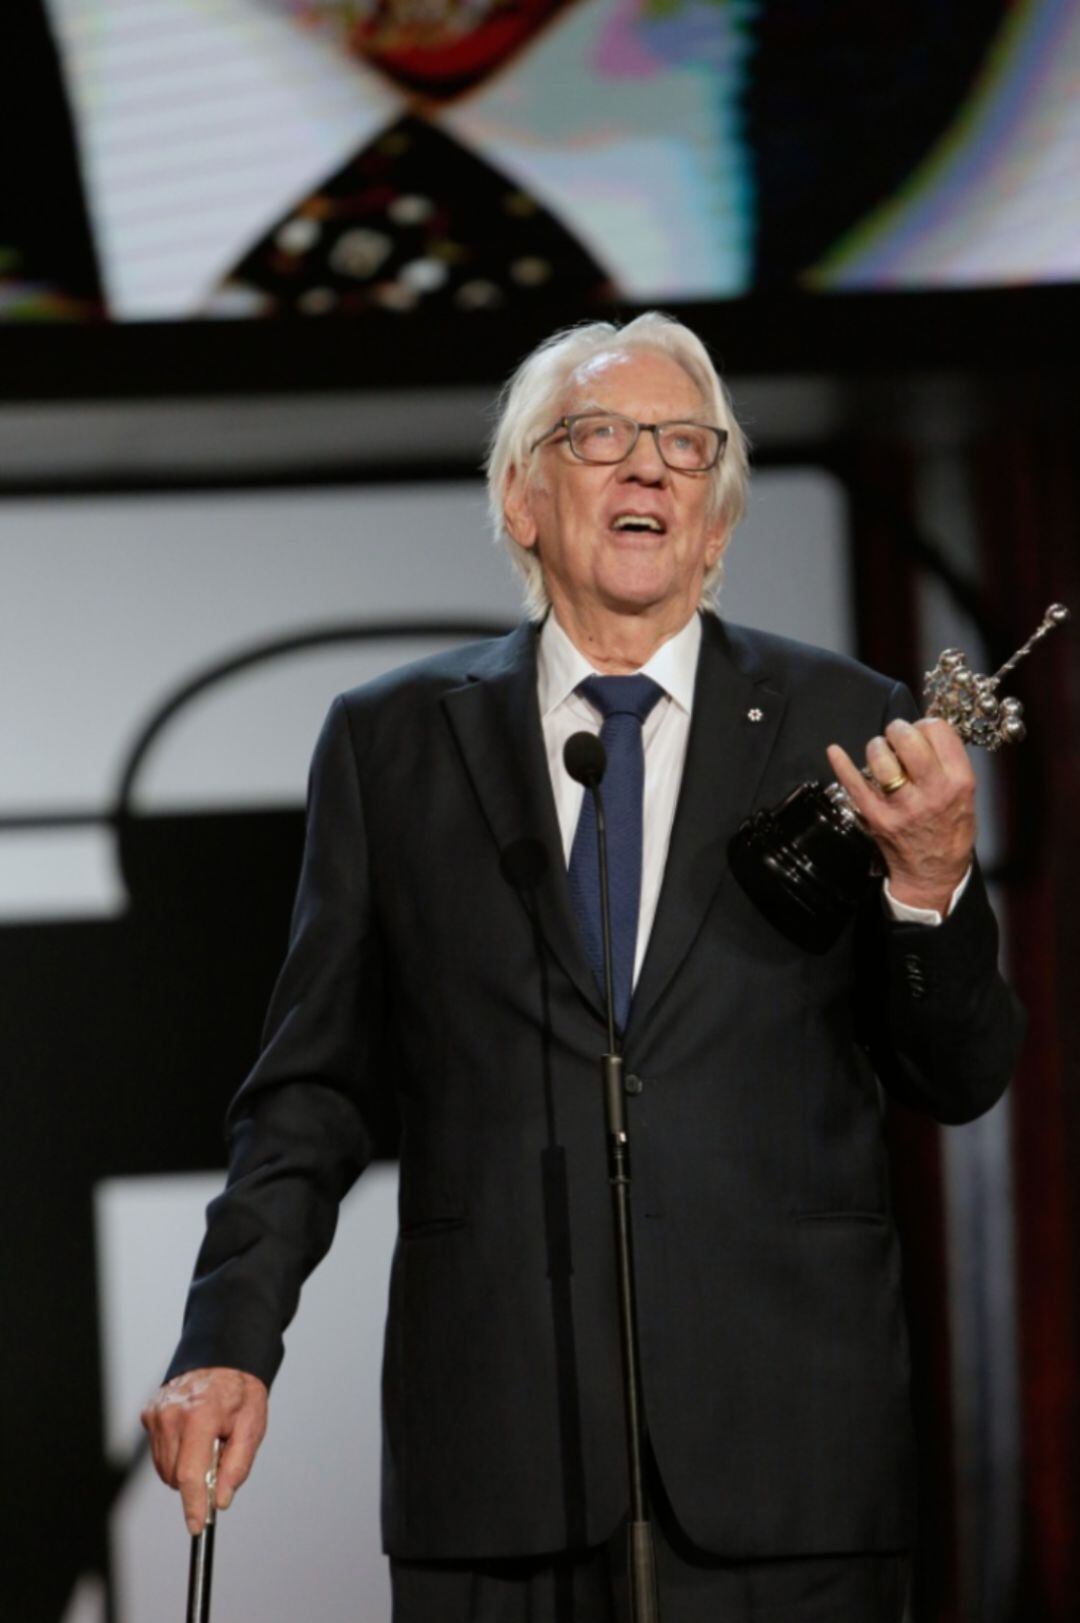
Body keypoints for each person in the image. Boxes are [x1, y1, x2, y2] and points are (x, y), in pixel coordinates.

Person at [142, 312, 1024, 1621]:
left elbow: (958, 1077)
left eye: (685, 447)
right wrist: (227, 1340)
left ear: (717, 528)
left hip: (787, 1466)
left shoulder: (849, 728)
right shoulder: (393, 745)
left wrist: (931, 884)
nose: (650, 470)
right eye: (602, 437)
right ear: (522, 499)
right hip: (498, 1460)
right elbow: (311, 1087)